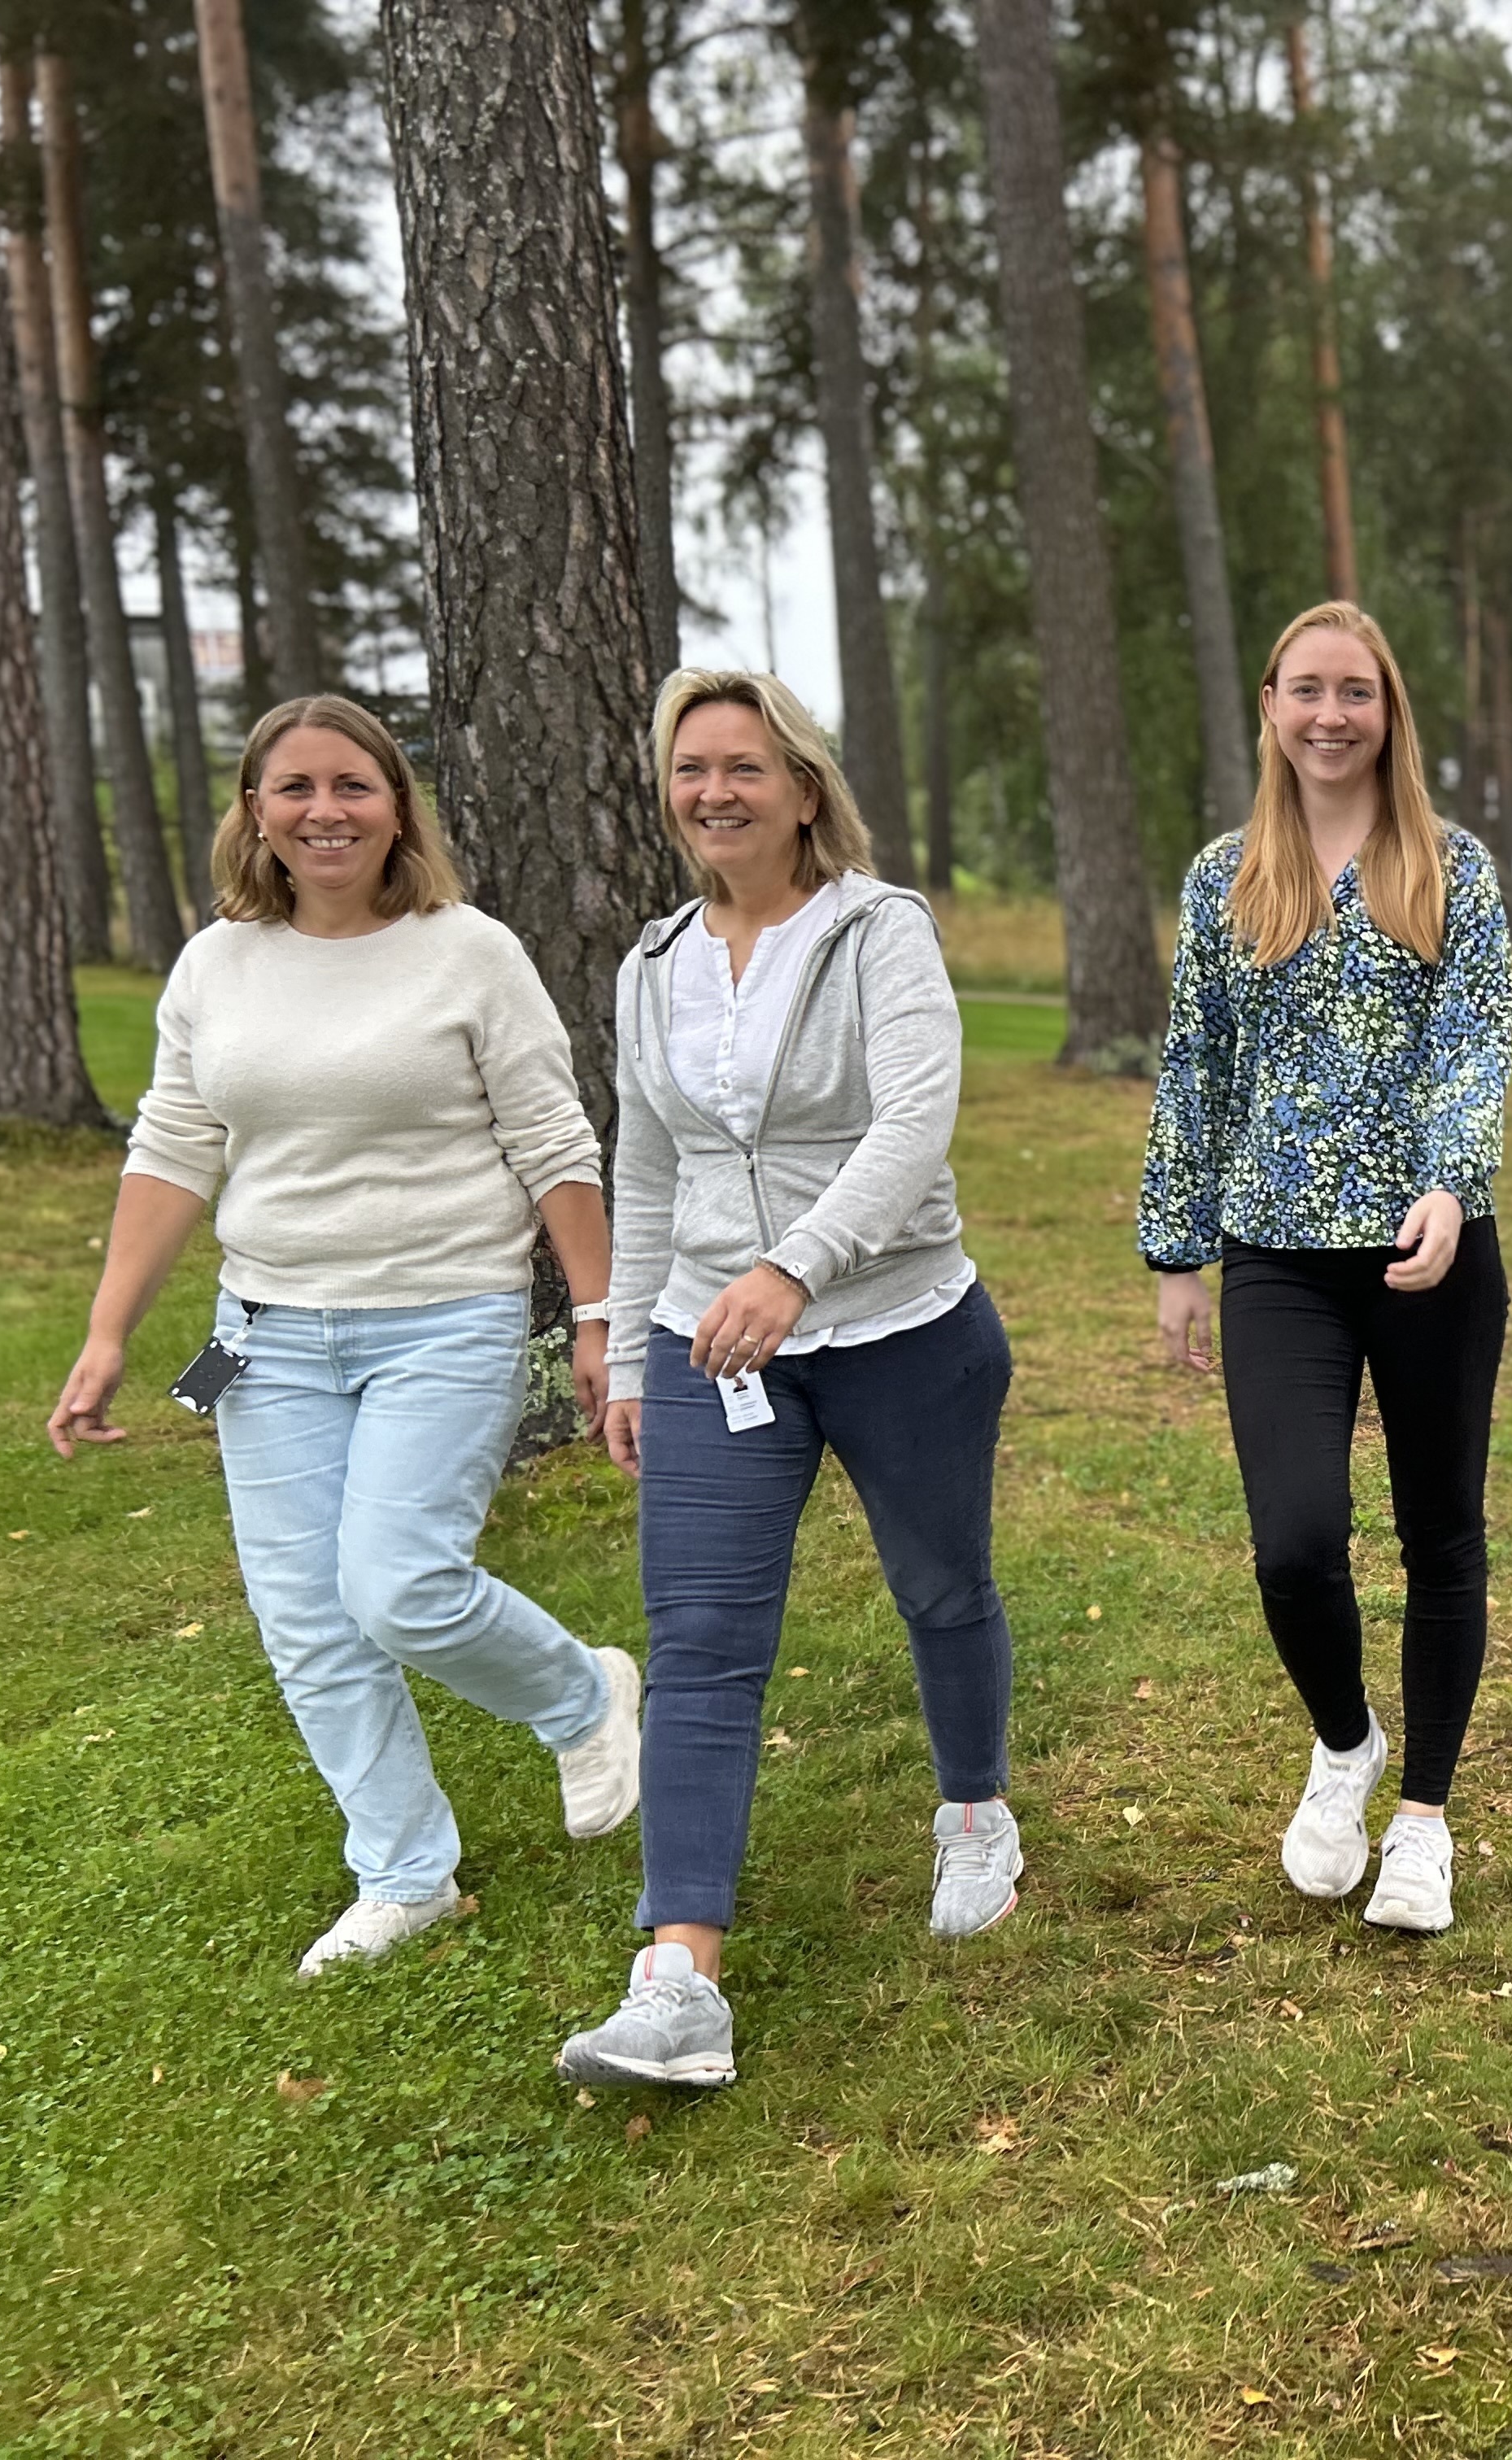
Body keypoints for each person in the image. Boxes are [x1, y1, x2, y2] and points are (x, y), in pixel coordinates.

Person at [46, 695, 643, 1979]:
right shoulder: (218, 964)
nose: (325, 812)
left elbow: (553, 1141)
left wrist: (599, 1315)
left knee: (400, 1584)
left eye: (353, 787)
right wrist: (108, 1336)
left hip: (445, 1315)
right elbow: (174, 1145)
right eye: (296, 789)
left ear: (396, 806)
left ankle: (582, 1695)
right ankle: (406, 1875)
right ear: (253, 811)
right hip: (264, 1335)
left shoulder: (468, 951)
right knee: (309, 1622)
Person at [557, 669, 1018, 2092]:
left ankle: (975, 1812)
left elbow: (914, 1119)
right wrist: (635, 1338)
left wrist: (800, 1266)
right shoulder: (652, 965)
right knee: (698, 1644)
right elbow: (646, 1161)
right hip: (709, 1338)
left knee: (942, 1588)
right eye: (692, 769)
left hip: (899, 1324)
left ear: (804, 787)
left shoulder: (880, 931)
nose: (715, 793)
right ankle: (679, 1978)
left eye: (745, 767)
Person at [1138, 601, 1512, 1935]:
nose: (1332, 716)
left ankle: (1422, 1816)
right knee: (1296, 1543)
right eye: (1308, 690)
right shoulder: (1225, 874)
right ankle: (1344, 1738)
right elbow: (1197, 1067)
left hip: (1432, 1253)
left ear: (1389, 710)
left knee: (1440, 1537)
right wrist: (1178, 1249)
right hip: (1277, 1257)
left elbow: (1475, 1039)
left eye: (1356, 691)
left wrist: (1450, 1185)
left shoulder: (1453, 868)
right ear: (1271, 704)